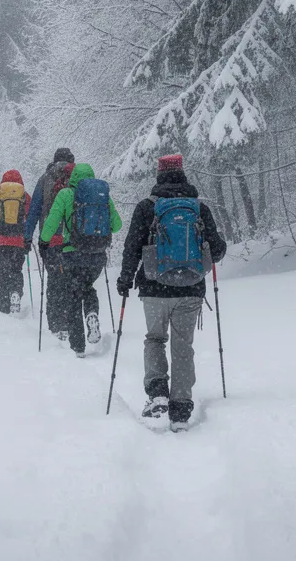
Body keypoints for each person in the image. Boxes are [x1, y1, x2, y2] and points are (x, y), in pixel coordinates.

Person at [116, 154, 227, 432]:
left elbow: (131, 246)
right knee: (182, 346)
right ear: (182, 173)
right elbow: (218, 249)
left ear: (158, 175)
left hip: (154, 287)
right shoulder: (199, 209)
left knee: (155, 339)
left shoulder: (146, 208)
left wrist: (125, 278)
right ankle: (180, 409)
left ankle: (157, 394)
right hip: (190, 289)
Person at [39, 162, 122, 358]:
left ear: (73, 177)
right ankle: (92, 313)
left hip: (72, 254)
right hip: (97, 257)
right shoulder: (102, 196)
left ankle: (78, 347)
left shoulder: (66, 194)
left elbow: (52, 222)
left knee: (73, 296)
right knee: (88, 287)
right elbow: (117, 225)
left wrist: (43, 241)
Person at [24, 148, 77, 340]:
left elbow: (34, 210)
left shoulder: (45, 179)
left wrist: (28, 236)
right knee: (71, 281)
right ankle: (70, 322)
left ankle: (55, 324)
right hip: (74, 241)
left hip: (50, 240)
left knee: (55, 281)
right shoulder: (77, 179)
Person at [0, 170, 31, 313]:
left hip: (0, 240)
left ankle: (4, 305)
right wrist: (28, 236)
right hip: (19, 240)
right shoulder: (24, 195)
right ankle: (16, 292)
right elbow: (31, 214)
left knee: (3, 273)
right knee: (16, 270)